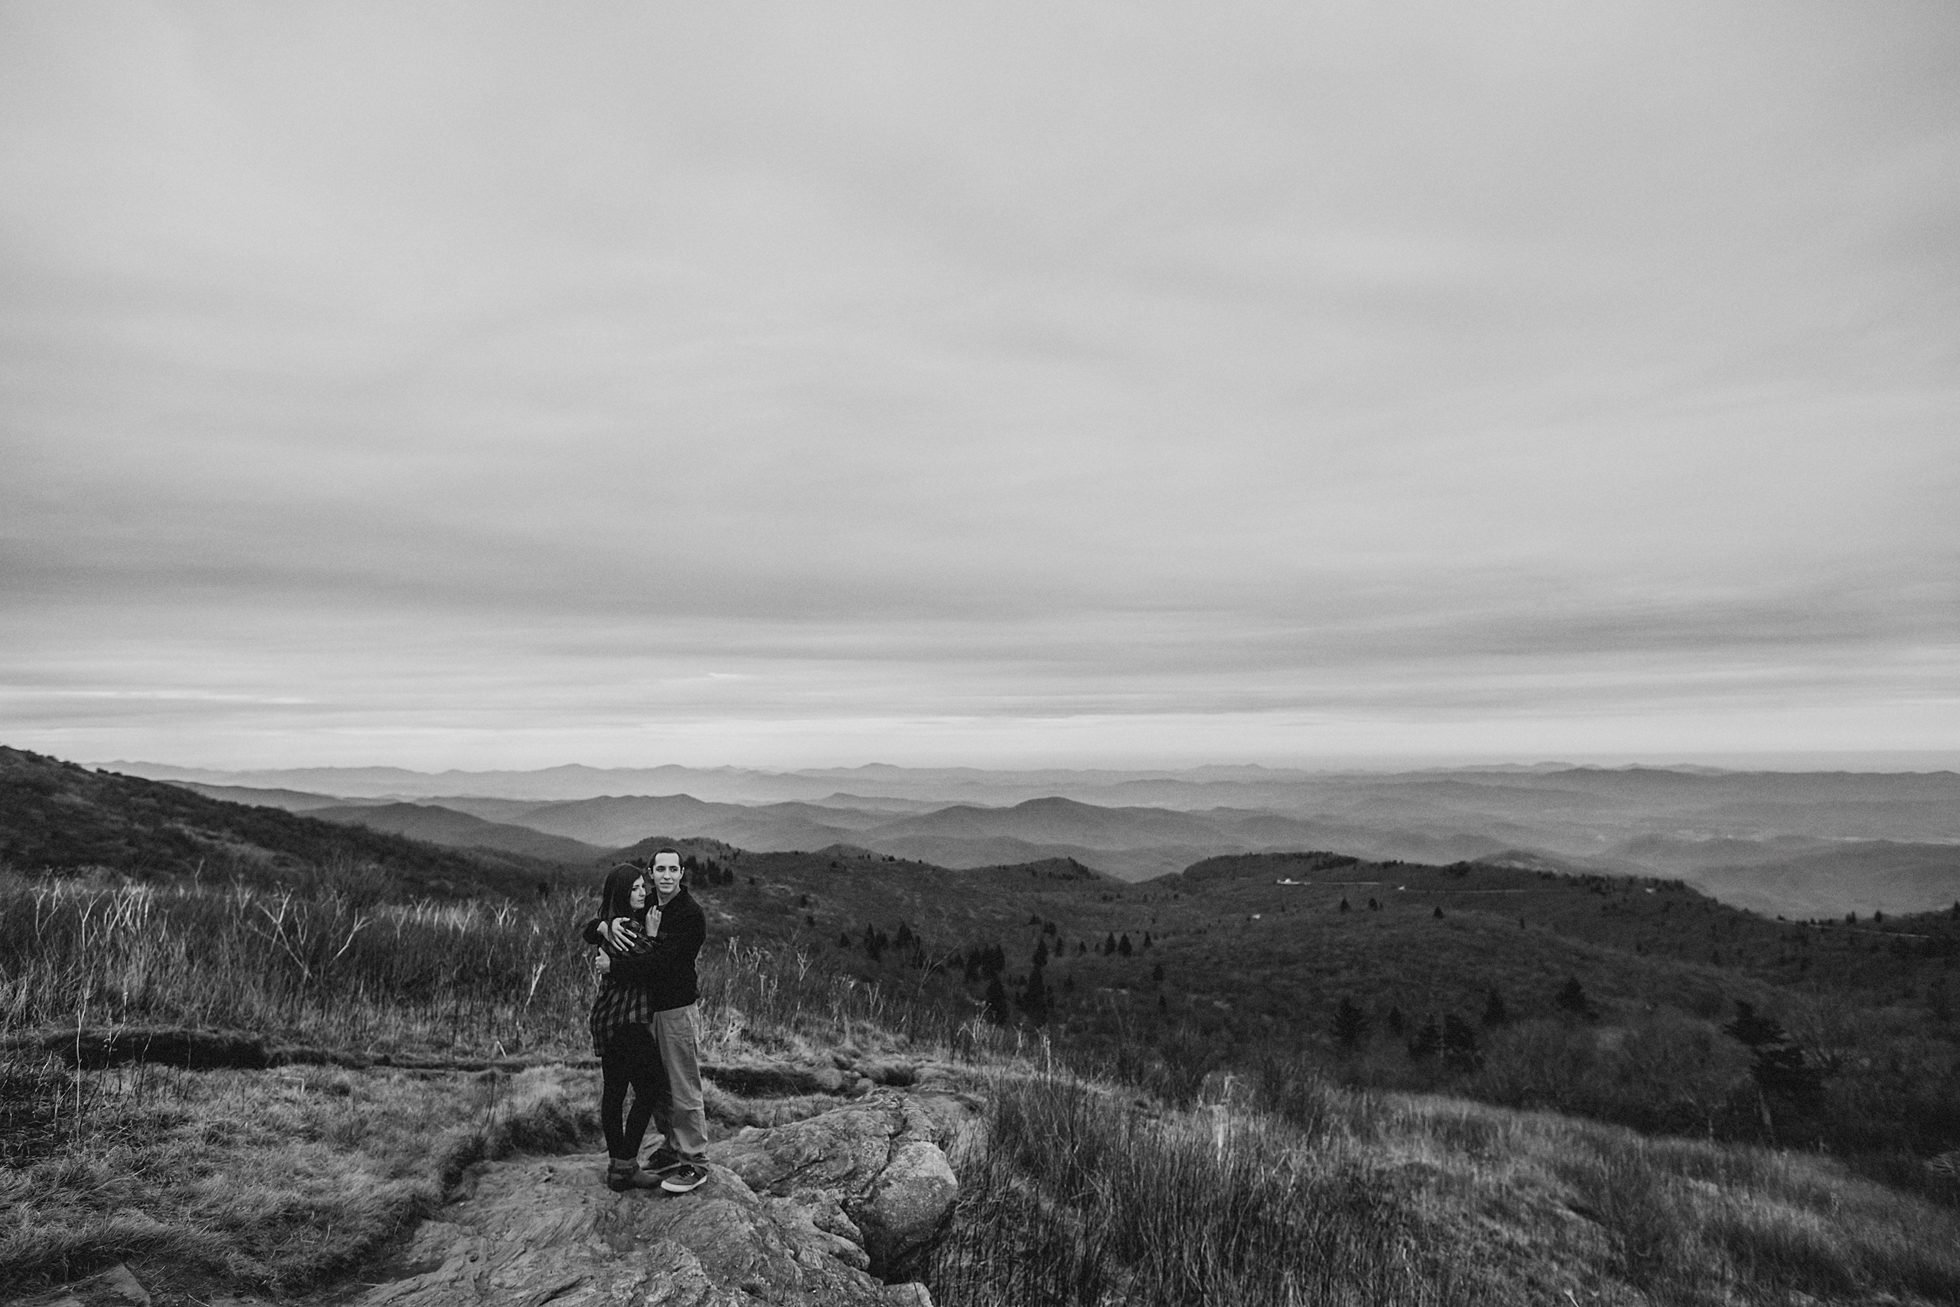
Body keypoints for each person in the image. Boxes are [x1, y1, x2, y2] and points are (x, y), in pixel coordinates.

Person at [585, 847, 710, 1194]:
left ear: (682, 873)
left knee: (683, 1085)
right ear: (651, 873)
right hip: (643, 1014)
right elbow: (599, 920)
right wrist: (603, 926)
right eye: (660, 869)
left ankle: (695, 1162)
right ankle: (673, 1145)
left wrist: (614, 966)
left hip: (675, 1010)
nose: (667, 875)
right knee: (658, 1088)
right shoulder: (647, 904)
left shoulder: (690, 915)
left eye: (674, 869)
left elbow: (662, 964)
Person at [586, 862, 665, 1191]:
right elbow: (652, 967)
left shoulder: (615, 922)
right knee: (649, 1087)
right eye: (634, 888)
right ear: (621, 893)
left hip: (609, 1018)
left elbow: (590, 929)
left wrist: (601, 927)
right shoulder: (626, 928)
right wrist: (653, 935)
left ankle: (618, 1168)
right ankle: (625, 1164)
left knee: (615, 1092)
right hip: (625, 1020)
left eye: (642, 886)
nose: (642, 891)